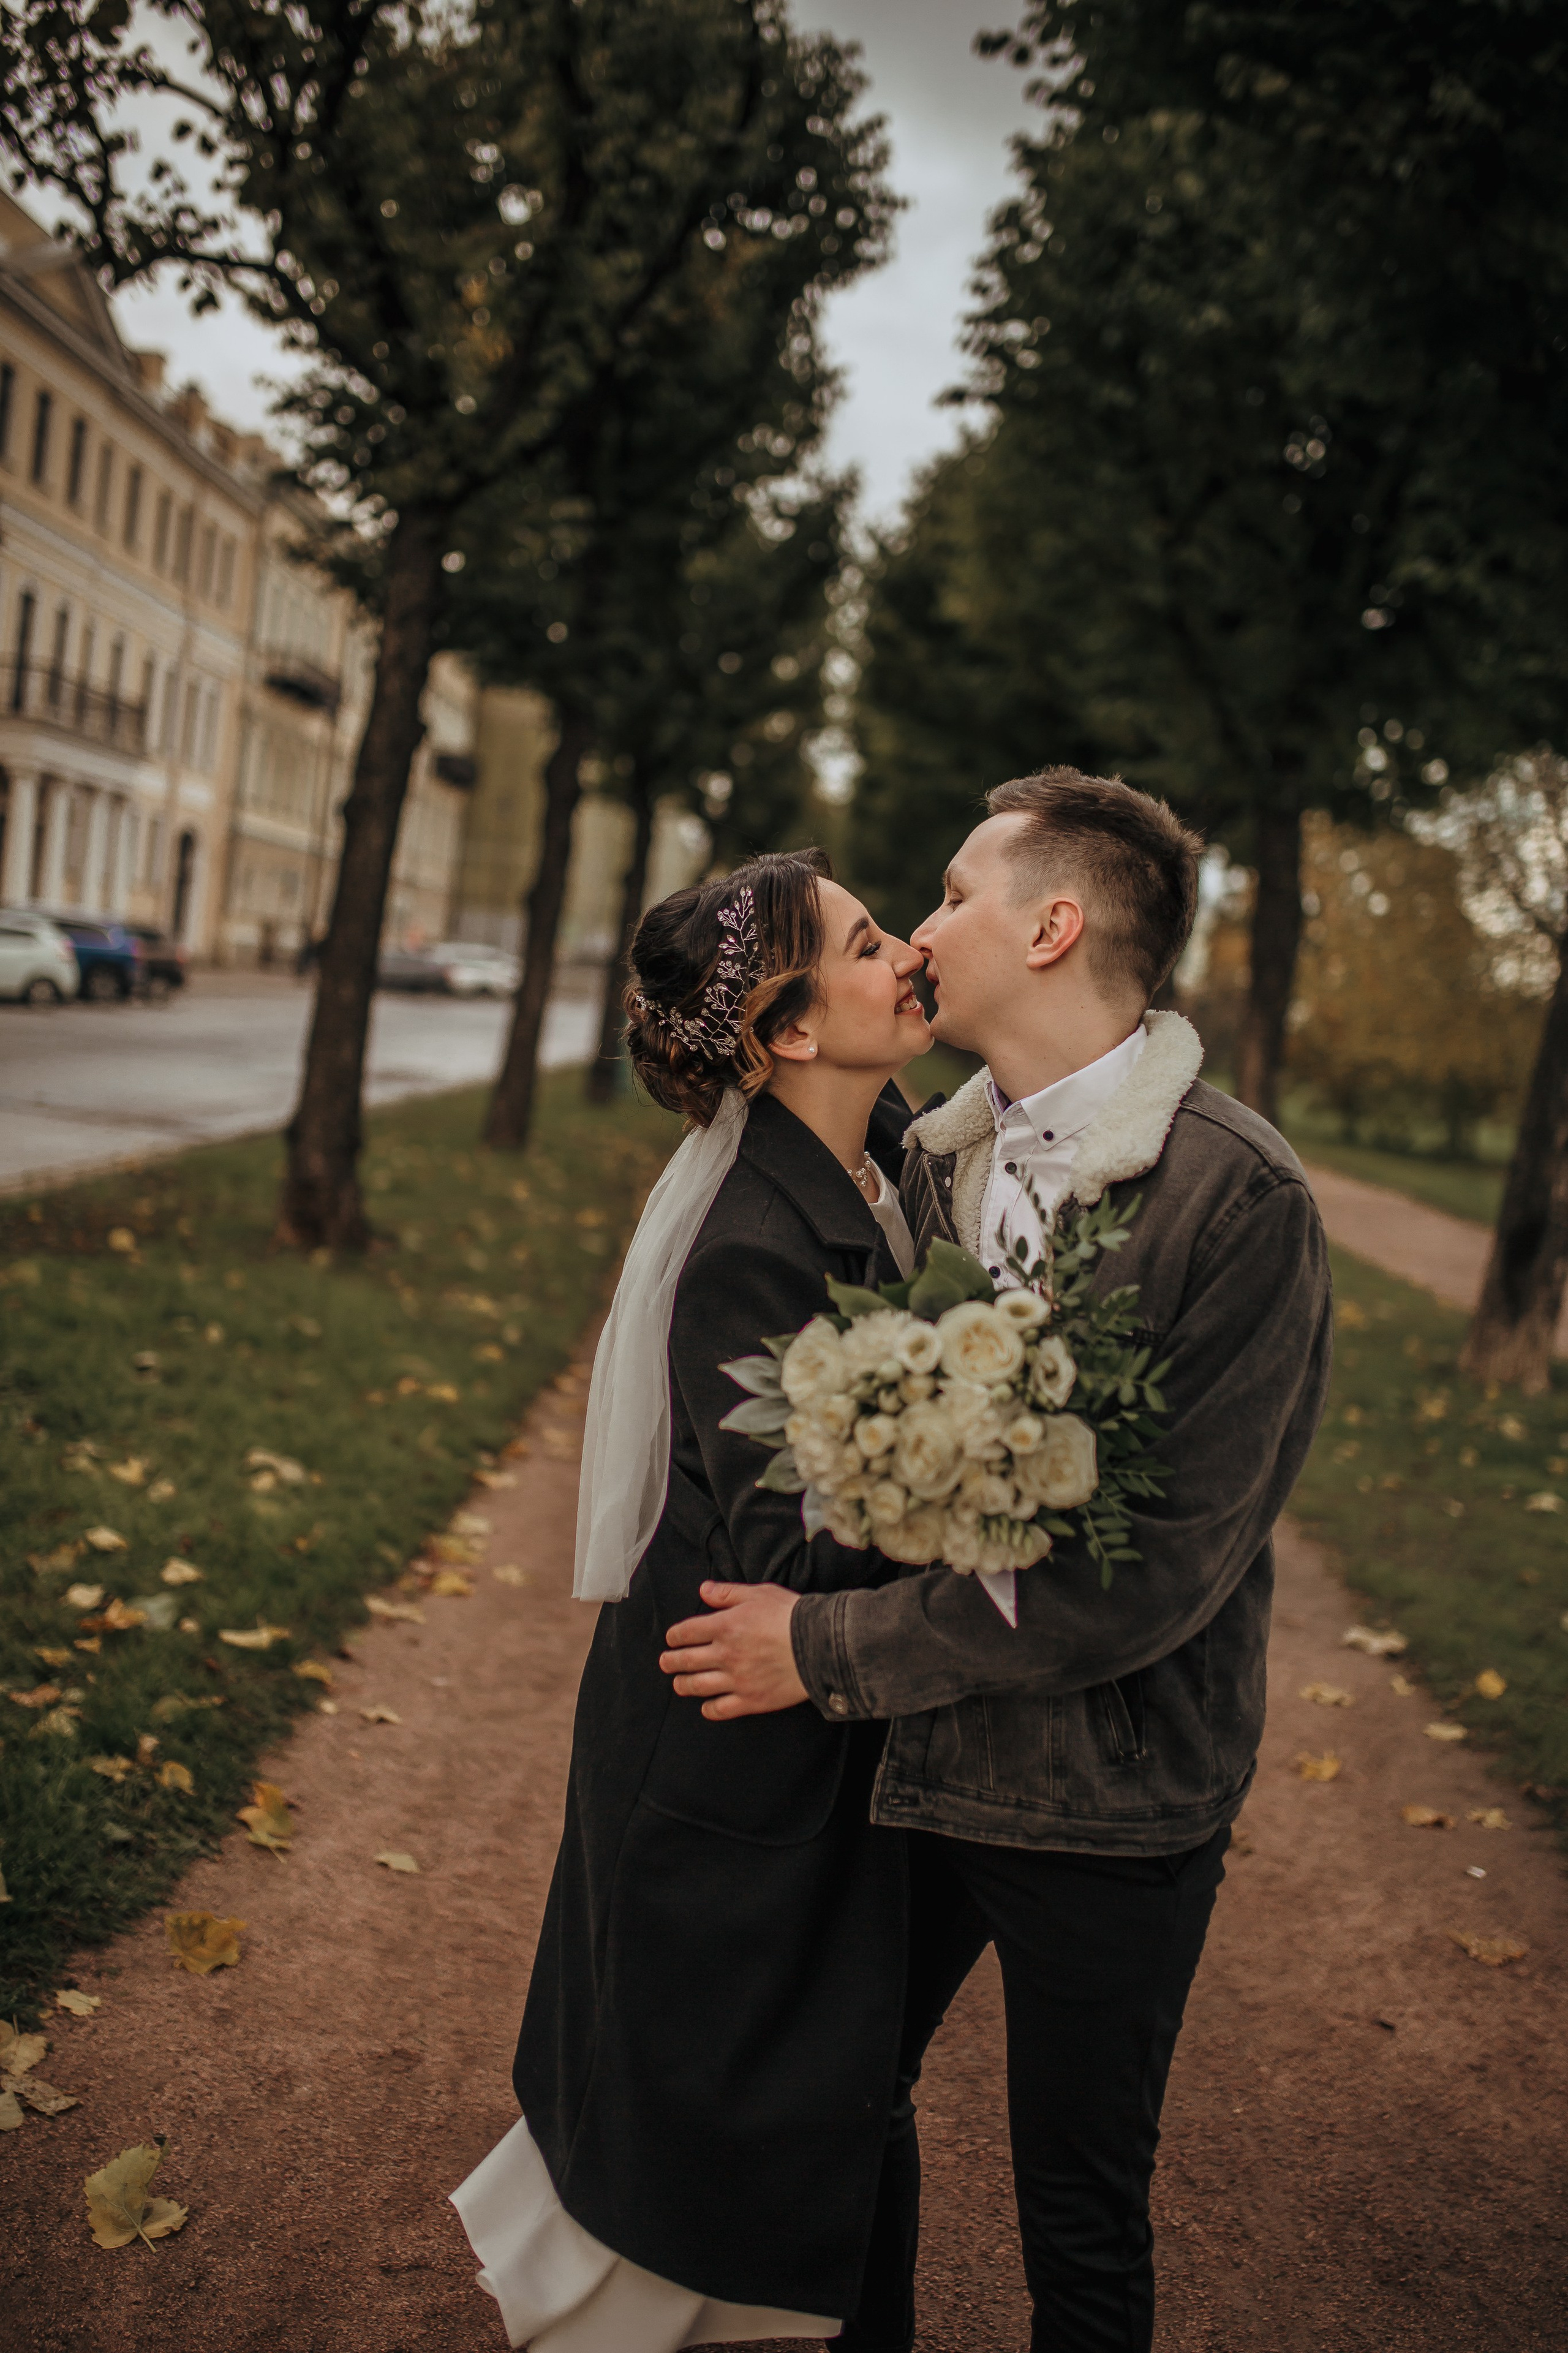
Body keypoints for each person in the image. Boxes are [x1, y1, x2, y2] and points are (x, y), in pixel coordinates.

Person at [661, 769, 1335, 2353]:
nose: (926, 923)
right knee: (840, 2105)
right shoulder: (931, 1161)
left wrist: (821, 1655)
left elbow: (1152, 1575)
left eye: (956, 892)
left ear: (1052, 923)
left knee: (1080, 2211)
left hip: (1116, 1800)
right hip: (916, 1772)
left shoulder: (1242, 1203)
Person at [451, 847, 934, 2350]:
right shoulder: (748, 1249)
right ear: (787, 1031)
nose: (906, 948)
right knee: (708, 2110)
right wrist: (991, 1500)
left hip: (797, 1737)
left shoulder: (896, 1145)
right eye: (866, 943)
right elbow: (793, 1557)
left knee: (816, 2094)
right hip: (729, 1745)